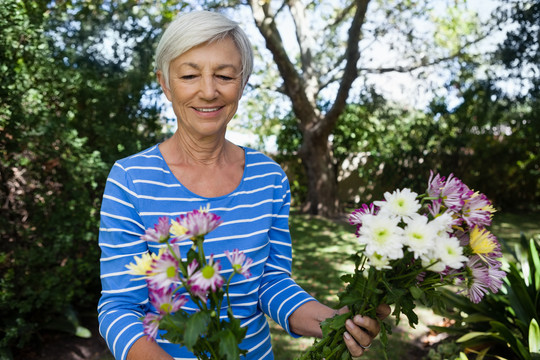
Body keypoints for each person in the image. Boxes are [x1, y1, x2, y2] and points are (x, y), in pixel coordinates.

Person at [97, 10, 390, 360]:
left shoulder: (268, 177)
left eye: (224, 75)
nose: (208, 91)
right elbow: (119, 307)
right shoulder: (130, 180)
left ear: (243, 82)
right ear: (165, 83)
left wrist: (333, 322)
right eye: (190, 75)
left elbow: (269, 282)